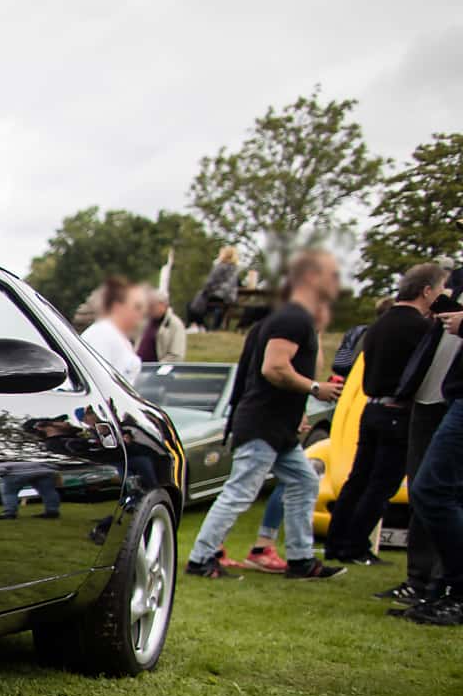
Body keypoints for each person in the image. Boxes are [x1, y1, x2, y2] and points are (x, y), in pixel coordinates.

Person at [187, 249, 348, 580]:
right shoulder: (290, 318)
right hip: (263, 424)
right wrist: (315, 389)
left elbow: (300, 364)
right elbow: (274, 368)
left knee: (304, 481)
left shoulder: (296, 319)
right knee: (240, 491)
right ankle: (201, 558)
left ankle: (302, 560)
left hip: (278, 427)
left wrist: (316, 331)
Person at [322, 263, 446, 565]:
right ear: (427, 291)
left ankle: (336, 542)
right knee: (382, 484)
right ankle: (355, 545)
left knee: (358, 478)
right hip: (397, 412)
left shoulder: (378, 324)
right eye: (440, 290)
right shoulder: (422, 328)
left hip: (371, 407)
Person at [401, 307, 463, 623]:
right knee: (443, 493)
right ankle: (442, 587)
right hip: (447, 397)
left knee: (431, 491)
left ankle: (456, 588)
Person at [79, 276, 145, 381]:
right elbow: (98, 382)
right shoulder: (102, 335)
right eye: (136, 307)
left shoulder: (117, 336)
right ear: (117, 306)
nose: (141, 314)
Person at [188, 246, 240, 330]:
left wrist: (210, 290)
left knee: (196, 302)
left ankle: (198, 325)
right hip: (224, 295)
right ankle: (200, 325)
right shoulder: (230, 267)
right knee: (197, 301)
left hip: (221, 295)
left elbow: (214, 283)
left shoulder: (225, 266)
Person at [136, 287, 186, 363]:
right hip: (139, 370)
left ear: (163, 305)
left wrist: (156, 369)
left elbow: (176, 356)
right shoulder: (146, 321)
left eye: (153, 305)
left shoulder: (175, 324)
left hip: (157, 372)